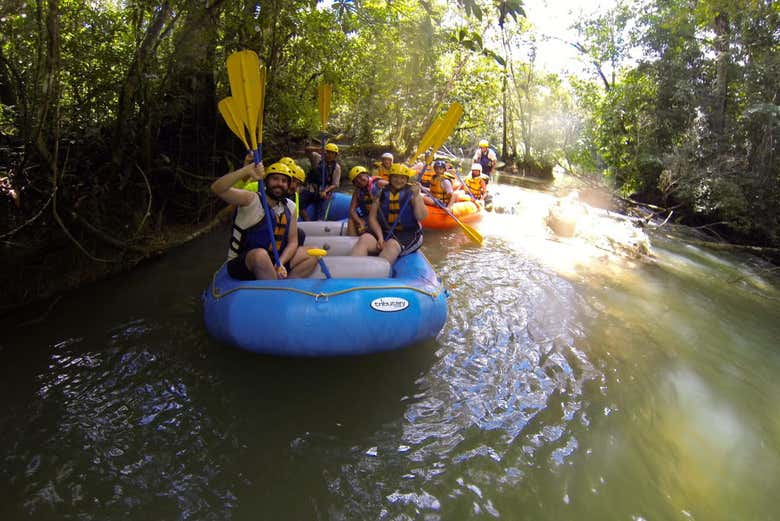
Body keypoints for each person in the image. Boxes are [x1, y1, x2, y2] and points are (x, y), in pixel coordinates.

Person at [211, 161, 317, 280]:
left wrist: (280, 263)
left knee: (312, 253)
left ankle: (287, 286)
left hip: (274, 260)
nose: (279, 184)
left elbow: (293, 242)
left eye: (284, 181)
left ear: (288, 185)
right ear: (266, 181)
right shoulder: (250, 199)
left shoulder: (290, 207)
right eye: (275, 179)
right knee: (260, 255)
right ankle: (274, 290)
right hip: (246, 262)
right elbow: (217, 189)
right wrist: (246, 170)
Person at [350, 164, 427, 265]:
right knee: (365, 239)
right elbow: (372, 218)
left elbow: (421, 216)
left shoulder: (412, 194)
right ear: (390, 178)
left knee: (391, 245)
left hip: (408, 234)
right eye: (395, 177)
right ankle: (352, 272)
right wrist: (380, 237)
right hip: (385, 232)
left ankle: (376, 275)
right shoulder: (381, 193)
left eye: (403, 178)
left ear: (407, 179)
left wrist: (417, 197)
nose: (399, 181)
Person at [302, 142, 342, 219]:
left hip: (323, 192)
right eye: (328, 152)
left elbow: (335, 184)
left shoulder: (336, 167)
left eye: (332, 153)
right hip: (311, 189)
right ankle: (307, 220)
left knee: (321, 211)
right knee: (300, 204)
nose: (329, 155)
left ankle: (320, 221)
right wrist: (319, 149)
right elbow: (307, 150)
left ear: (335, 155)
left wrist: (326, 190)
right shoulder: (317, 158)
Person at [346, 165, 387, 236]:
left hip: (383, 216)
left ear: (366, 175)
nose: (360, 180)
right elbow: (352, 210)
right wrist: (359, 222)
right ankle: (352, 243)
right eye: (356, 180)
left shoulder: (379, 184)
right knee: (351, 221)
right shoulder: (357, 192)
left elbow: (396, 187)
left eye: (360, 176)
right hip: (368, 217)